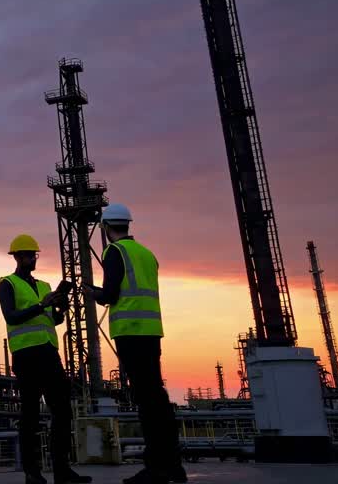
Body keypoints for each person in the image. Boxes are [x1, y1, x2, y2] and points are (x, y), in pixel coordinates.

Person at [87, 203, 185, 484]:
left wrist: (92, 292)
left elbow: (110, 294)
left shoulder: (114, 252)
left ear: (106, 228)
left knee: (146, 401)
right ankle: (173, 465)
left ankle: (156, 468)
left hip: (130, 332)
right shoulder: (146, 254)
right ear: (128, 224)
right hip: (152, 331)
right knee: (157, 398)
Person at [0, 234, 91, 484]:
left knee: (62, 411)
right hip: (26, 355)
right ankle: (32, 472)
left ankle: (62, 470)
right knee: (30, 415)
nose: (33, 259)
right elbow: (11, 317)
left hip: (49, 353)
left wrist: (60, 307)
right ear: (17, 257)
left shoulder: (45, 286)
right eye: (29, 255)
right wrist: (41, 305)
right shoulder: (6, 284)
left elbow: (53, 320)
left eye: (35, 254)